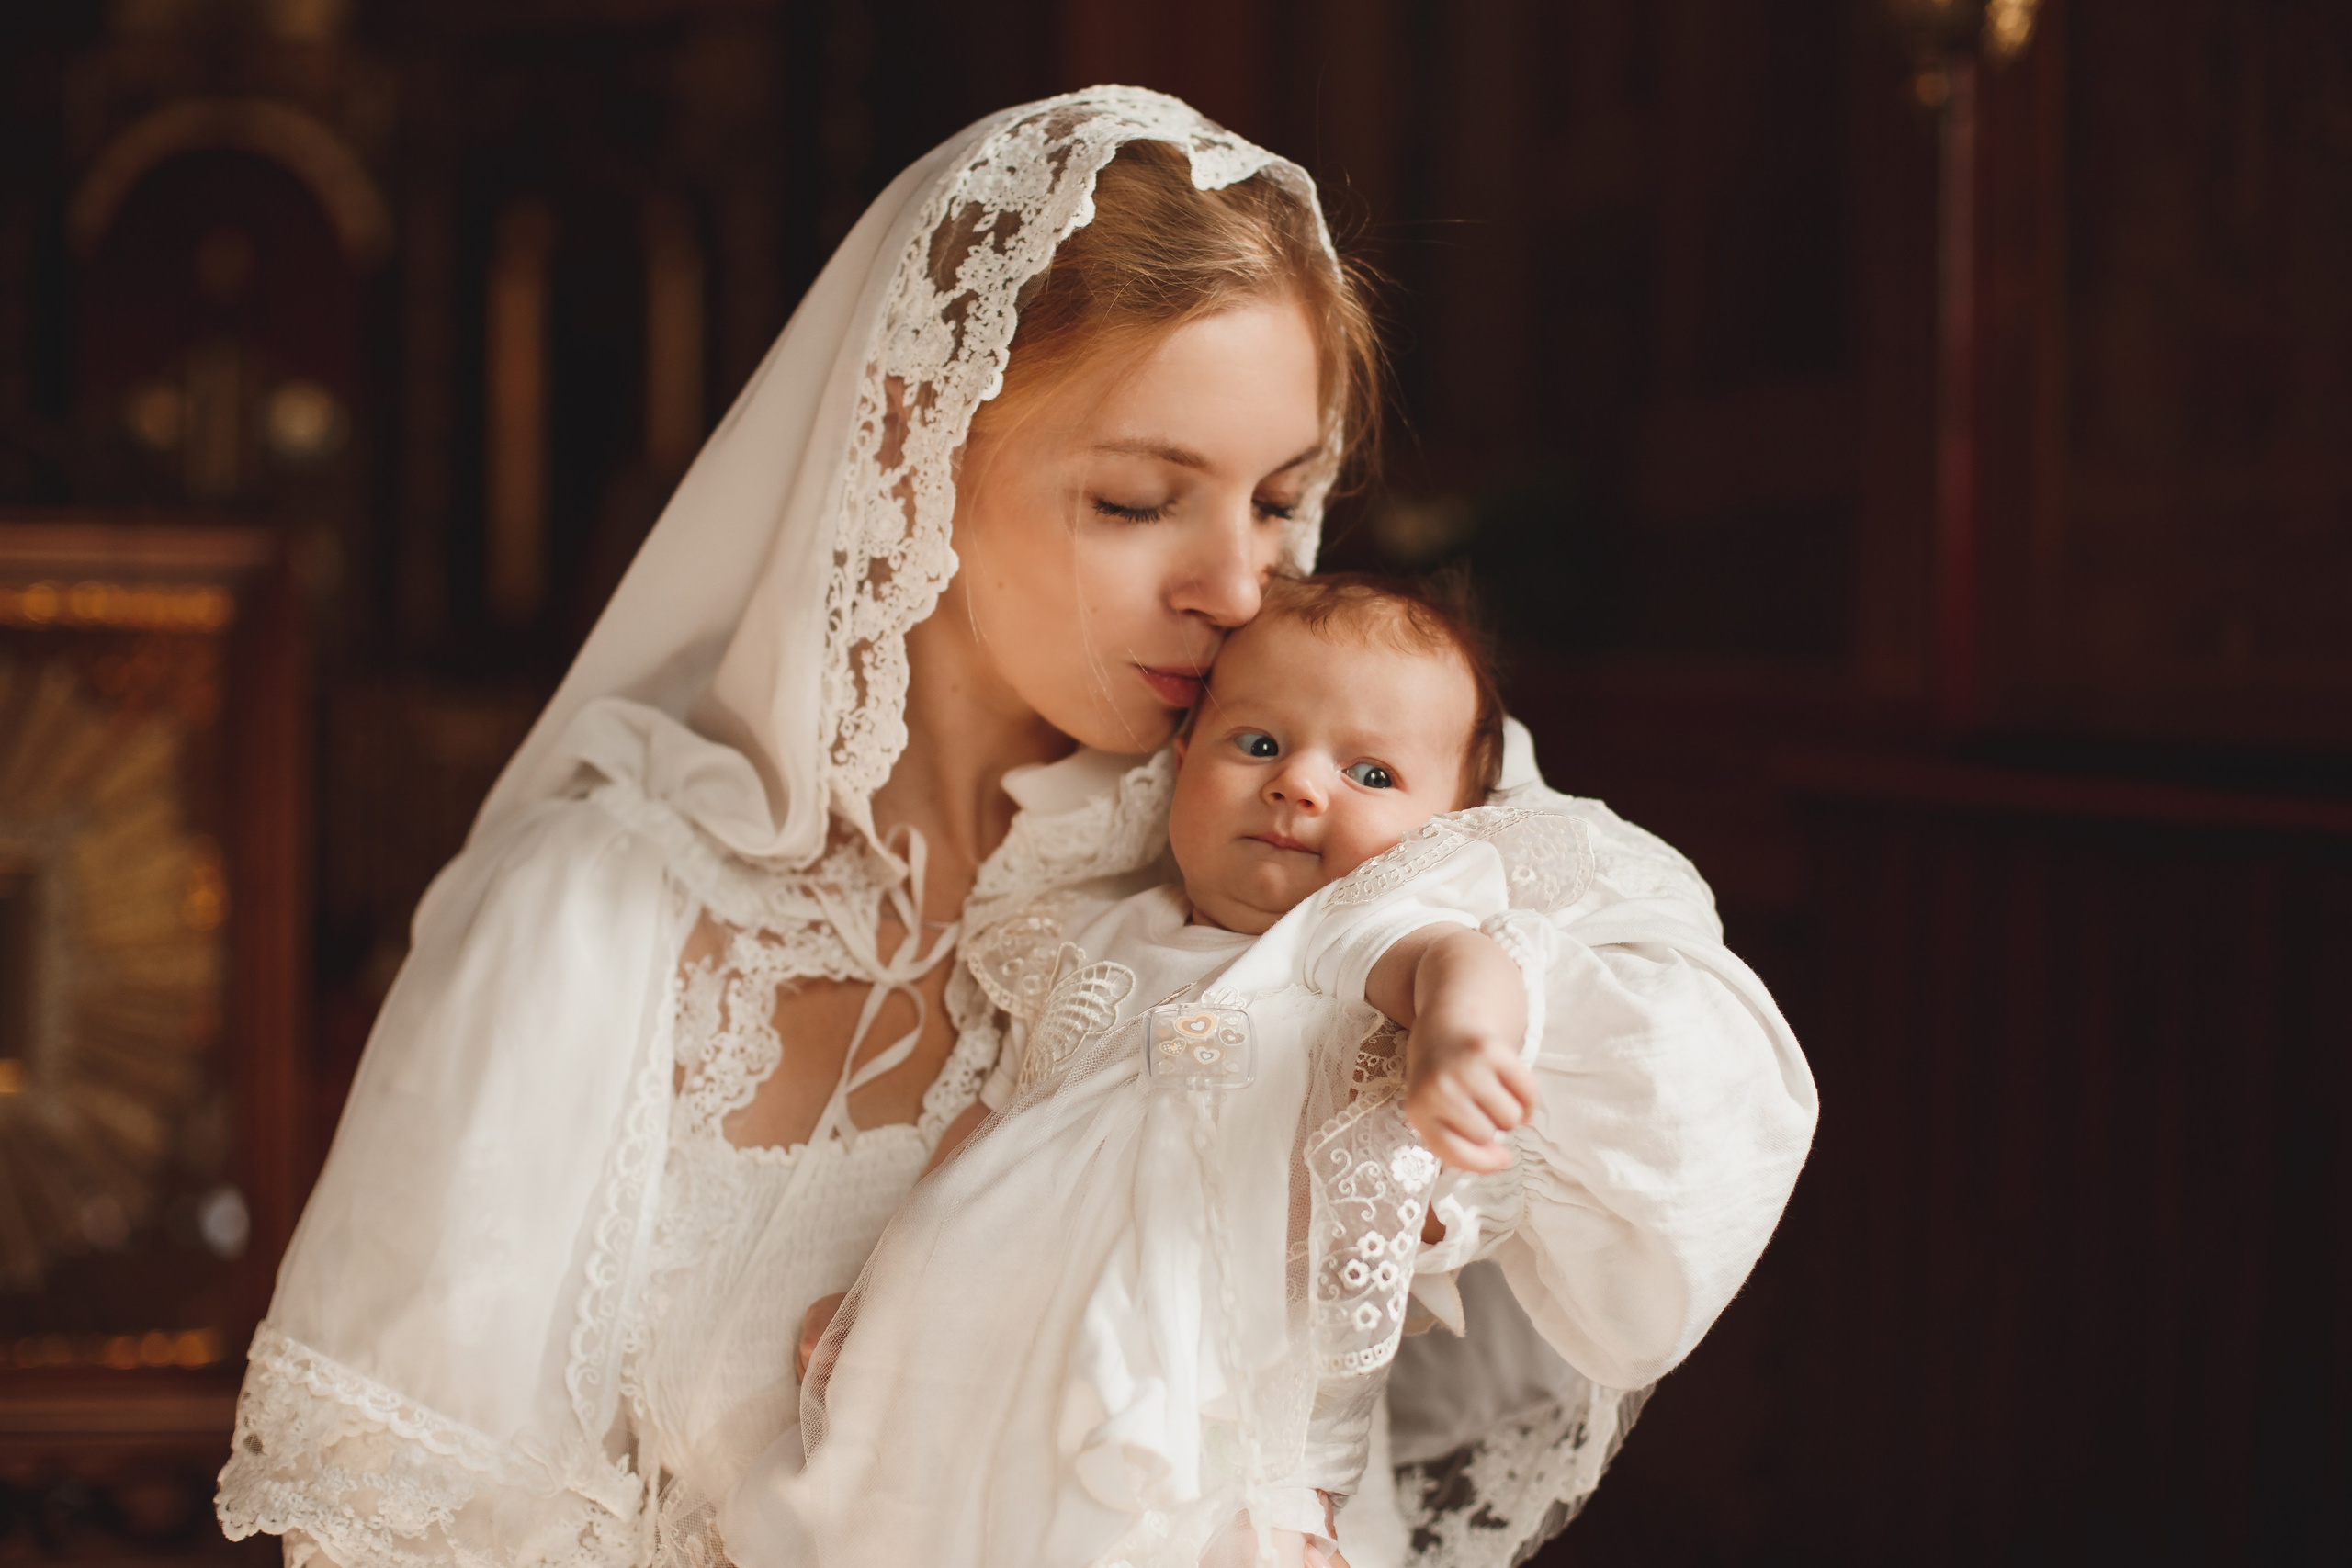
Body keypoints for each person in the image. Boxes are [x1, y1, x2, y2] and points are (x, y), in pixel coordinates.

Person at [215, 87, 1816, 1568]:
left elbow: (1689, 1117)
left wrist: (1455, 1005)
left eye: (1277, 499)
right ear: (914, 436)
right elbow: (403, 1525)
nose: (1239, 586)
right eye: (1138, 499)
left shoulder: (1334, 824)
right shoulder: (594, 918)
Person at [727, 575, 1569, 1568]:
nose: (1299, 784)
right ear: (1182, 761)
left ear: (1437, 835)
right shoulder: (1107, 935)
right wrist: (873, 1303)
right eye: (1258, 745)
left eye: (1371, 775)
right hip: (990, 1324)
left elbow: (1459, 959)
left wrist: (1462, 1040)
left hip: (1200, 1336)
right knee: (926, 1504)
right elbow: (998, 1116)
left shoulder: (1340, 940)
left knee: (1200, 1523)